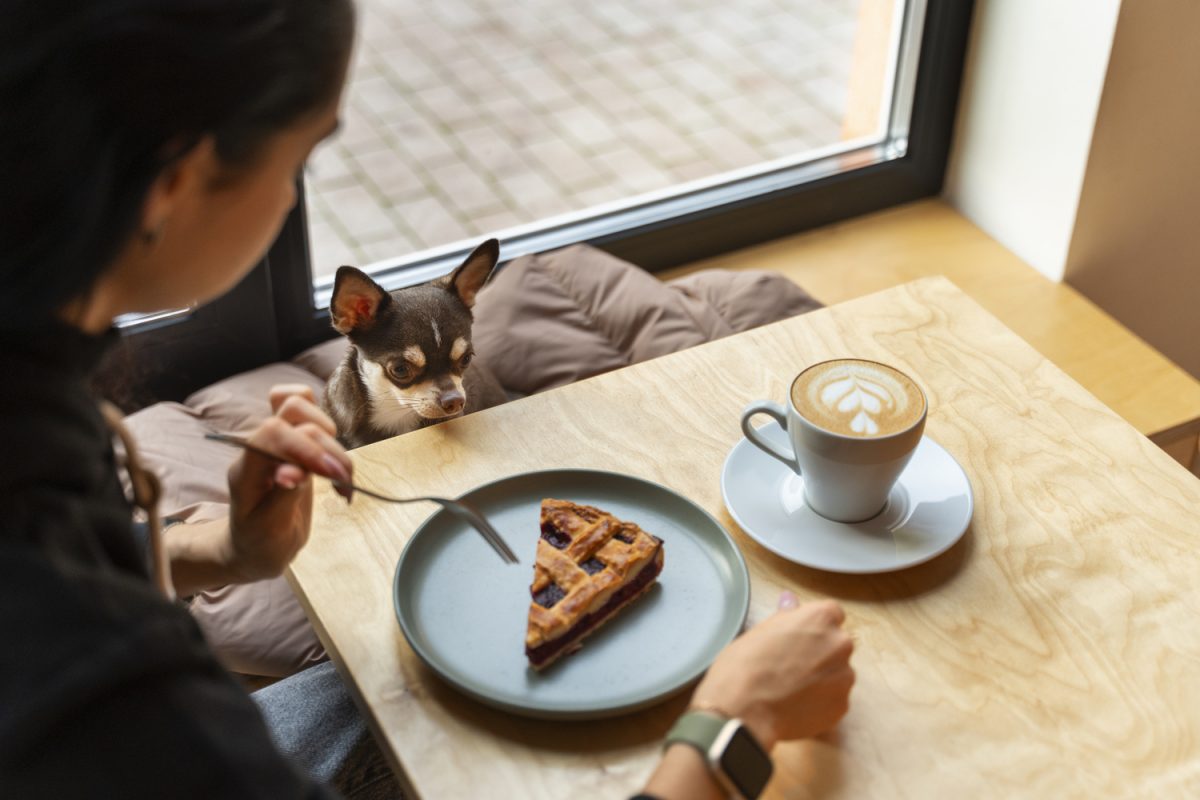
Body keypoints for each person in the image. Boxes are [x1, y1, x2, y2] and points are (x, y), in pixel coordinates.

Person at [0, 2, 854, 798]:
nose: (294, 196)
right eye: (300, 158)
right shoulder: (103, 679)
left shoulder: (39, 389)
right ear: (175, 179)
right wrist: (735, 727)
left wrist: (217, 553)